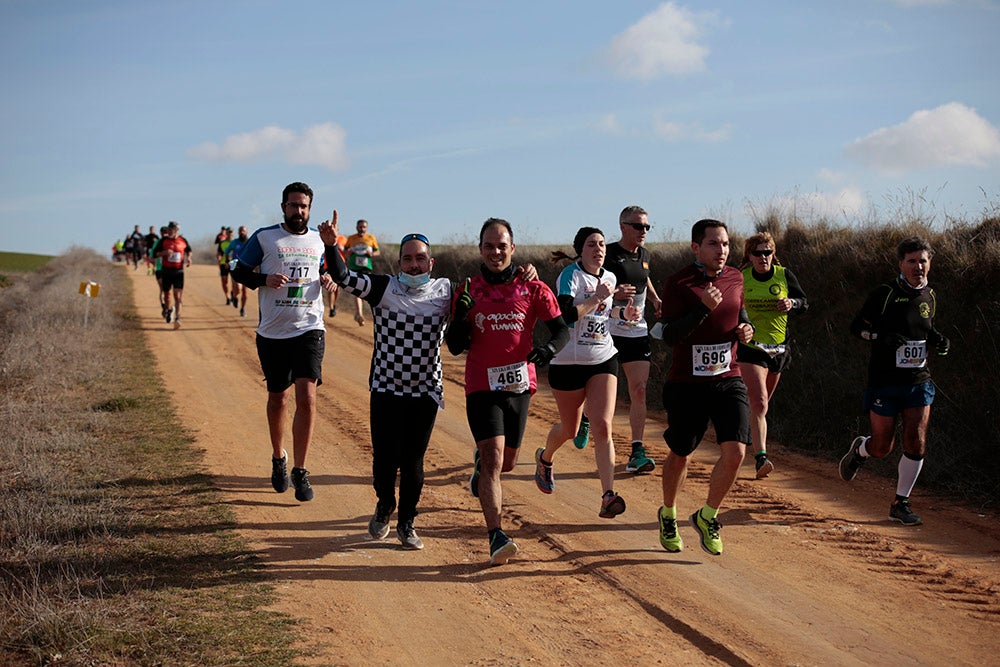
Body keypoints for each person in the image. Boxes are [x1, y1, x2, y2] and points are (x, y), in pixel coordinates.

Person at [321, 214, 452, 550]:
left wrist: (528, 275)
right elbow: (343, 276)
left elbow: (492, 294)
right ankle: (385, 505)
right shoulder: (383, 288)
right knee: (383, 460)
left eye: (420, 258)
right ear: (398, 262)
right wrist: (331, 244)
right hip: (385, 388)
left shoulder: (446, 290)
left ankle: (407, 522)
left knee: (413, 463)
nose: (413, 264)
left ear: (430, 262)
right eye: (407, 258)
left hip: (425, 391)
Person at [446, 218, 568, 566]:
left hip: (519, 384)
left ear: (512, 248)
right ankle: (495, 534)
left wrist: (549, 351)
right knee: (495, 460)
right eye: (489, 246)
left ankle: (481, 468)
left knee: (508, 462)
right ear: (480, 249)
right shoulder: (469, 288)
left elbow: (561, 331)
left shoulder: (533, 287)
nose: (496, 252)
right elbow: (455, 347)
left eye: (502, 245)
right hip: (482, 385)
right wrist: (460, 318)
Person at [651, 219, 753, 556]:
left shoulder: (736, 277)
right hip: (688, 384)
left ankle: (708, 515)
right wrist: (701, 309)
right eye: (713, 244)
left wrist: (746, 329)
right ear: (696, 247)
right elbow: (668, 335)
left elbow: (739, 313)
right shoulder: (679, 283)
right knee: (681, 455)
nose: (721, 250)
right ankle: (668, 512)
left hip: (728, 377)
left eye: (725, 244)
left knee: (736, 451)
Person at [231, 182, 333, 503]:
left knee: (307, 397)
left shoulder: (320, 239)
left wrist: (329, 278)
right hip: (273, 333)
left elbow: (330, 270)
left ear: (310, 209)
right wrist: (264, 280)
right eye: (292, 205)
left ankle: (301, 470)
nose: (298, 211)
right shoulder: (265, 237)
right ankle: (279, 458)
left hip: (309, 328)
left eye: (303, 206)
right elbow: (239, 272)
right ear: (283, 207)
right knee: (279, 399)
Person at [840, 236, 949, 526]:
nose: (918, 267)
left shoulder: (930, 296)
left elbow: (925, 328)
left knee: (916, 439)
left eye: (923, 260)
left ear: (930, 263)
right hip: (885, 382)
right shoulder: (884, 293)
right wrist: (881, 338)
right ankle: (861, 449)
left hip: (918, 380)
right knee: (882, 447)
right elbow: (857, 328)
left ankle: (900, 502)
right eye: (911, 261)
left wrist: (937, 340)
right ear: (901, 263)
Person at [535, 227, 640, 518]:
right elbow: (566, 316)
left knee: (603, 426)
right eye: (592, 244)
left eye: (602, 244)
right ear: (580, 250)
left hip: (602, 358)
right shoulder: (570, 276)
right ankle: (545, 458)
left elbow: (604, 314)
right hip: (567, 362)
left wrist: (624, 314)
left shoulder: (610, 277)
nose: (599, 249)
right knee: (569, 430)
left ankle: (608, 495)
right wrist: (596, 297)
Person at [736, 232, 809, 479]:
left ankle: (747, 432)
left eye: (767, 252)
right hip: (751, 348)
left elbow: (804, 302)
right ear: (749, 256)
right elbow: (732, 307)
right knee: (760, 402)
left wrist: (792, 304)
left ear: (773, 254)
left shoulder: (784, 275)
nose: (763, 257)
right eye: (758, 253)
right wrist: (742, 325)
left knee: (761, 406)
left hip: (779, 347)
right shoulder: (742, 278)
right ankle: (761, 458)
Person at [597, 205, 663, 473]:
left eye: (647, 227)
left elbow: (643, 279)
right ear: (623, 226)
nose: (643, 231)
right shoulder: (608, 254)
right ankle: (588, 420)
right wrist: (614, 295)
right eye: (638, 226)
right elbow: (592, 286)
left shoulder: (645, 254)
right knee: (603, 396)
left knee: (639, 390)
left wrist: (656, 298)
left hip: (636, 330)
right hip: (608, 332)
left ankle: (637, 451)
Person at [151, 221, 192, 329]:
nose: (169, 232)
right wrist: (164, 253)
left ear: (176, 231)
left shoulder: (183, 240)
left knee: (177, 296)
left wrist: (189, 258)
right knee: (167, 296)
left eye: (171, 230)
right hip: (166, 271)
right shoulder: (163, 241)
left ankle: (178, 318)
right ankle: (169, 310)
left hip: (178, 272)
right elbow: (155, 254)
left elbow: (189, 250)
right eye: (168, 230)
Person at [344, 219, 380, 325]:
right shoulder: (351, 238)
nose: (362, 229)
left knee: (364, 291)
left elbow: (378, 251)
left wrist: (372, 254)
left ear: (366, 228)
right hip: (354, 267)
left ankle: (358, 313)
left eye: (364, 227)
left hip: (366, 267)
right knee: (358, 291)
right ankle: (359, 314)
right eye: (360, 227)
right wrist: (348, 253)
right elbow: (345, 251)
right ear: (357, 227)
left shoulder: (371, 238)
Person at [225, 226, 251, 317]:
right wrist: (227, 261)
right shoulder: (234, 242)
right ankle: (234, 295)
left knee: (245, 292)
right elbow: (227, 252)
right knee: (238, 289)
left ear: (246, 232)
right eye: (240, 231)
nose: (242, 232)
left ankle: (243, 309)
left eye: (243, 231)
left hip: (247, 268)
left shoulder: (250, 242)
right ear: (238, 232)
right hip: (235, 267)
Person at [323, 230, 347, 318]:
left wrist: (341, 248)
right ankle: (331, 307)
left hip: (340, 266)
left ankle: (334, 303)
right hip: (328, 265)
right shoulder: (324, 238)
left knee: (337, 289)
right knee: (331, 287)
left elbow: (348, 252)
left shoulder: (343, 239)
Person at [216, 227, 236, 306]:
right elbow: (219, 253)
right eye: (228, 232)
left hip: (233, 264)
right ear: (226, 233)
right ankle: (227, 297)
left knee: (234, 281)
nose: (230, 234)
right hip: (224, 263)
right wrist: (219, 258)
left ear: (233, 234)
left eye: (231, 232)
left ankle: (233, 292)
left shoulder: (235, 242)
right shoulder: (222, 243)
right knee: (225, 282)